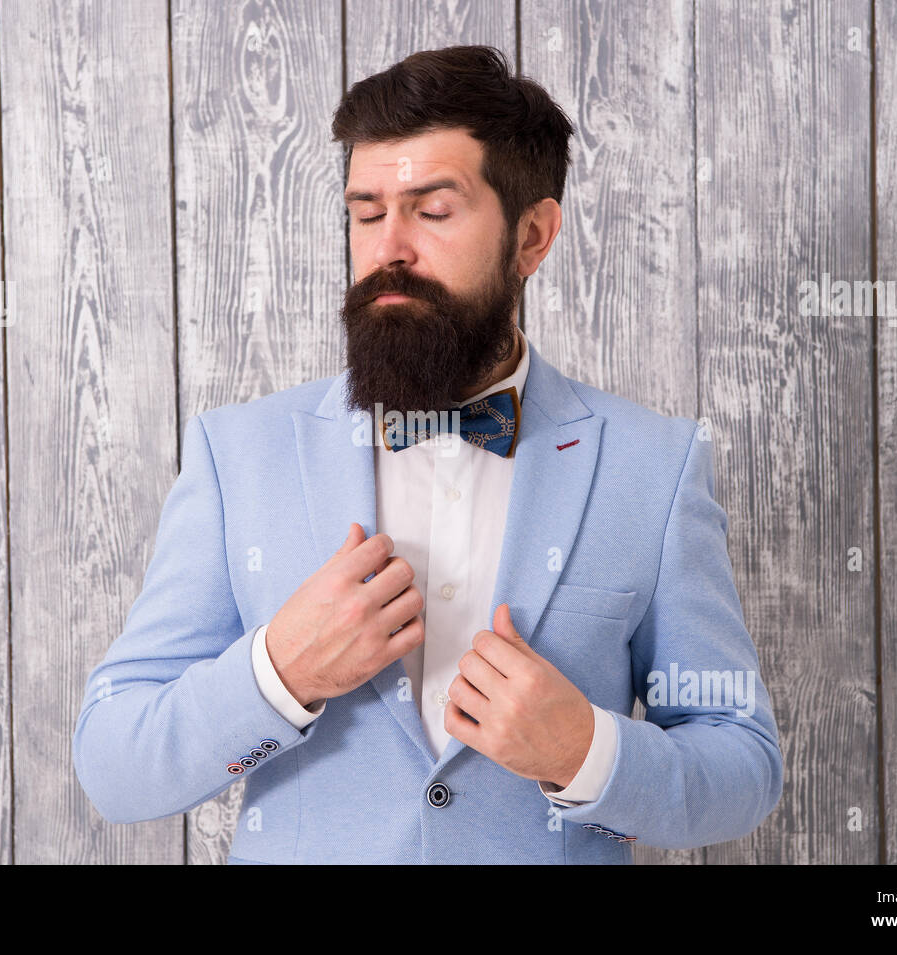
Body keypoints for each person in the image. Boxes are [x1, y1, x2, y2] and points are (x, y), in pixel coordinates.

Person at [72, 45, 783, 864]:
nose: (390, 248)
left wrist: (584, 749)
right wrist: (276, 672)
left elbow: (743, 763)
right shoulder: (237, 455)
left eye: (433, 211)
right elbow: (114, 764)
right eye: (367, 212)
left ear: (533, 235)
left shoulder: (654, 467)